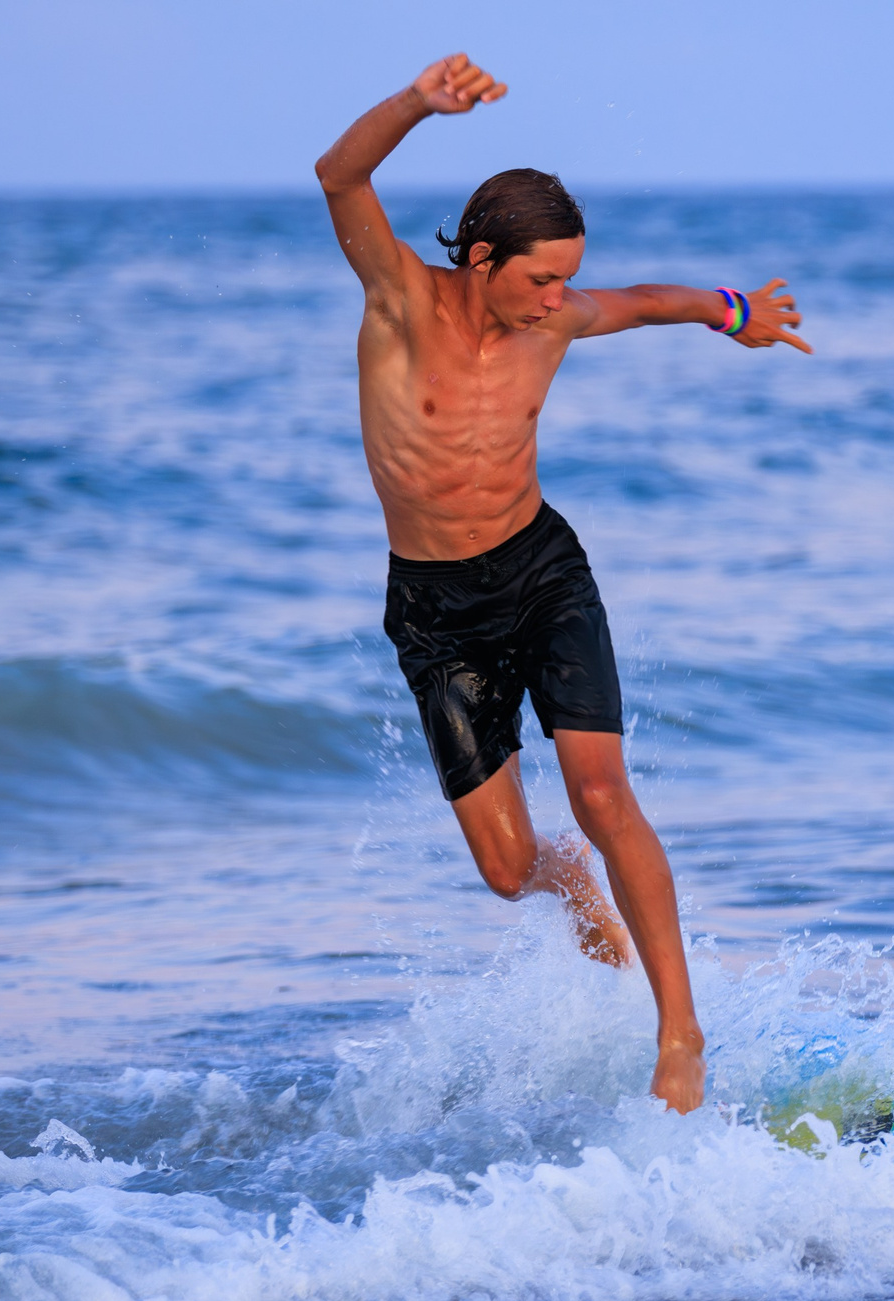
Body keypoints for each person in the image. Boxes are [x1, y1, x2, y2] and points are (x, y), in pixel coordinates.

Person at [316, 53, 810, 1114]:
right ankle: (572, 885)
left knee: (599, 791)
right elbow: (338, 177)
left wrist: (735, 312)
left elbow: (646, 300)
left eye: (563, 279)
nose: (557, 299)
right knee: (505, 867)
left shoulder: (558, 321)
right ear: (482, 257)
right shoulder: (399, 301)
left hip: (542, 570)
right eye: (540, 278)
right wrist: (417, 105)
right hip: (437, 609)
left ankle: (680, 1031)